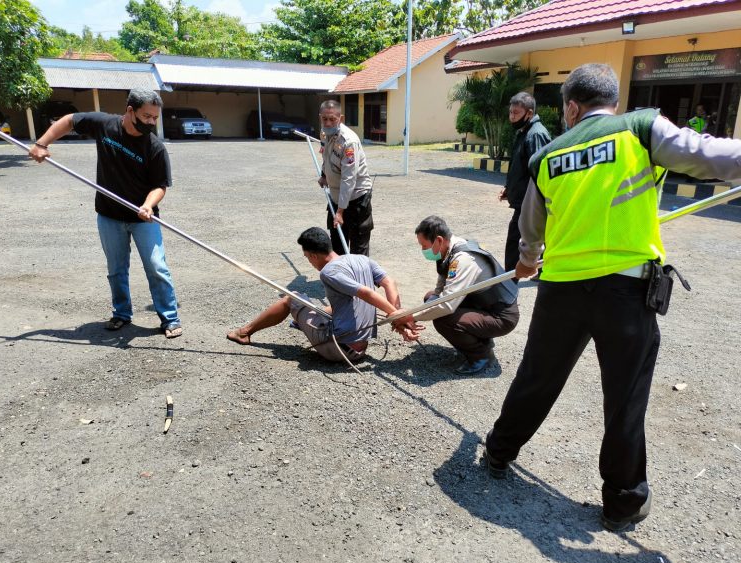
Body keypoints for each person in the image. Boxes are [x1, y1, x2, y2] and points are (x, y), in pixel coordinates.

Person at [483, 63, 741, 532]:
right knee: (624, 399)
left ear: (573, 107)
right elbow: (712, 156)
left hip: (561, 288)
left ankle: (498, 453)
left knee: (537, 378)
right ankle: (622, 503)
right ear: (612, 104)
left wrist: (524, 263)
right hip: (626, 291)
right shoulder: (640, 129)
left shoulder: (550, 155)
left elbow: (531, 231)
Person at [28, 89, 183, 338]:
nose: (152, 123)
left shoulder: (154, 147)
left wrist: (147, 205)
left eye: (155, 117)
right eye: (147, 116)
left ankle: (170, 318)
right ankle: (121, 314)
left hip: (143, 218)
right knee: (116, 268)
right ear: (130, 111)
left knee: (156, 267)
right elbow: (69, 120)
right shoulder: (105, 125)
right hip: (109, 215)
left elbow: (160, 186)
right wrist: (41, 143)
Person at [226, 227, 419, 362]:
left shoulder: (329, 272)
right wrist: (397, 314)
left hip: (340, 350)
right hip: (360, 348)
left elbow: (366, 293)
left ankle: (244, 333)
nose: (309, 262)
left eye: (307, 257)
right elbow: (389, 283)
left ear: (313, 255)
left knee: (290, 298)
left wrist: (398, 316)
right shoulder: (361, 259)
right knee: (327, 307)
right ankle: (301, 322)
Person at [413, 216, 519, 375]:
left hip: (501, 317)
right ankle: (481, 340)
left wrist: (411, 317)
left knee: (444, 319)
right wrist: (422, 309)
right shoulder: (449, 251)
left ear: (439, 240)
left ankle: (480, 356)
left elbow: (447, 305)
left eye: (424, 246)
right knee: (430, 299)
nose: (423, 251)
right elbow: (439, 291)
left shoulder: (463, 259)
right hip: (484, 306)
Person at [499, 92, 551, 276]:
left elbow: (539, 173)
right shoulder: (525, 132)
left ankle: (509, 281)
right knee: (532, 237)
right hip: (522, 199)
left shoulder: (535, 135)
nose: (511, 117)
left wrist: (533, 201)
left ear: (529, 113)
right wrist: (510, 189)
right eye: (510, 112)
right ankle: (542, 272)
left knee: (515, 241)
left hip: (529, 203)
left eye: (516, 113)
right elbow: (521, 167)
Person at [317, 100, 374, 256]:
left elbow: (349, 179)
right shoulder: (325, 133)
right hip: (337, 197)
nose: (328, 123)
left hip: (356, 198)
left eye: (332, 119)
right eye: (324, 119)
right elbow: (327, 157)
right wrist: (324, 175)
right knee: (337, 244)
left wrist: (340, 211)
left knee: (358, 249)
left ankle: (361, 279)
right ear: (320, 117)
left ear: (340, 118)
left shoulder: (349, 142)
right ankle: (341, 279)